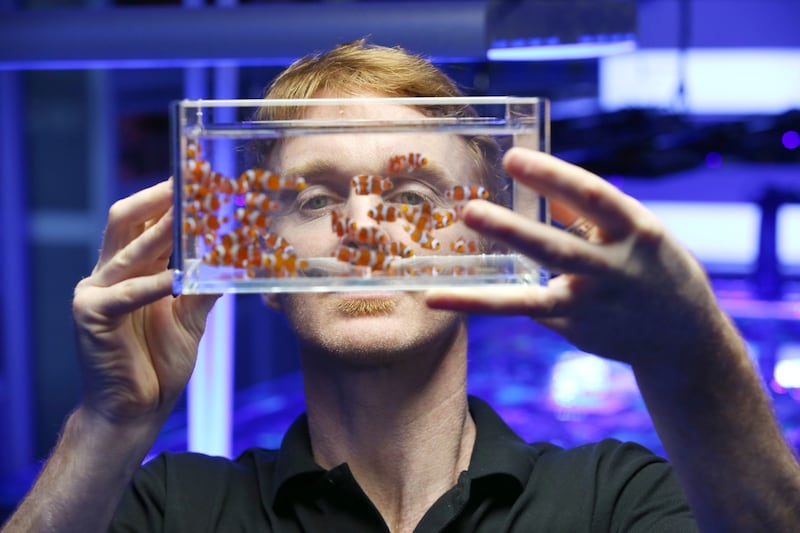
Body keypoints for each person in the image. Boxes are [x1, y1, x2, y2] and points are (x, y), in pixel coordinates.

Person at [4, 39, 800, 533]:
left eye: (413, 197)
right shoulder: (172, 507)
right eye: (315, 198)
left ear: (488, 237)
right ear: (264, 266)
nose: (363, 228)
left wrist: (689, 351)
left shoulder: (615, 499)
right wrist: (111, 420)